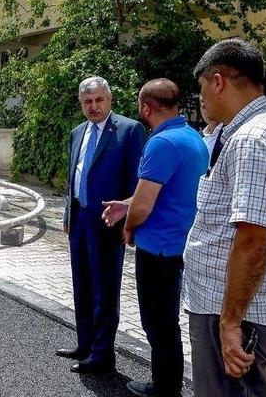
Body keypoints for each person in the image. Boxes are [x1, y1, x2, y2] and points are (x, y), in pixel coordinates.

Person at [184, 39, 266, 396]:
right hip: (247, 305)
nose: (202, 97)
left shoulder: (254, 139)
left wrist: (230, 323)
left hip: (238, 312)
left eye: (202, 86)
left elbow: (253, 238)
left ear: (218, 81)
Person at [101, 79, 209, 396]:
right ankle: (168, 384)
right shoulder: (193, 138)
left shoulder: (161, 144)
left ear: (146, 108)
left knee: (158, 325)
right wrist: (126, 204)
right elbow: (166, 191)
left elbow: (145, 203)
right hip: (181, 245)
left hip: (158, 251)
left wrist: (129, 228)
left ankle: (164, 388)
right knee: (166, 323)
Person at [57, 76, 146, 374]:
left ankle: (103, 353)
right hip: (80, 219)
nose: (93, 106)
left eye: (98, 100)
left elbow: (136, 181)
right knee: (81, 283)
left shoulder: (129, 130)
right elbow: (73, 178)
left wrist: (129, 221)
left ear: (109, 100)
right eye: (87, 101)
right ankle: (85, 344)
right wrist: (68, 215)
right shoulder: (76, 133)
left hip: (109, 220)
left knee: (105, 288)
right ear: (81, 104)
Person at [199, 95, 224, 172]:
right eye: (203, 106)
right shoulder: (199, 136)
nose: (206, 110)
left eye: (209, 104)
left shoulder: (228, 135)